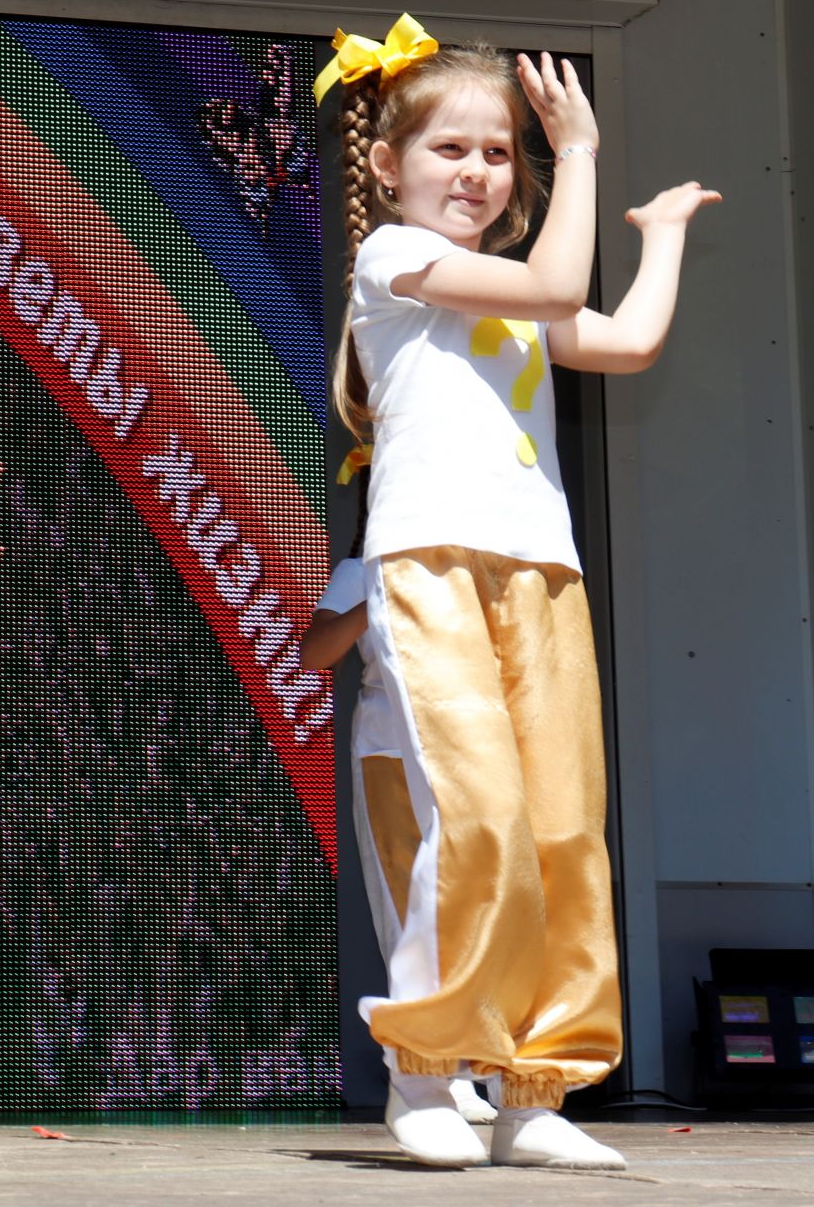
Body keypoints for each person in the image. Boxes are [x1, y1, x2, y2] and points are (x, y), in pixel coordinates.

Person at [322, 15, 718, 1169]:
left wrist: (664, 234)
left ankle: (538, 1088)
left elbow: (631, 340)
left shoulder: (518, 310)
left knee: (559, 829)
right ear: (391, 166)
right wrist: (579, 150)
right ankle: (427, 1070)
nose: (481, 172)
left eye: (502, 154)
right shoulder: (391, 261)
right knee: (479, 813)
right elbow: (555, 278)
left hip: (541, 571)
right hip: (430, 562)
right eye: (454, 149)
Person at [299, 448, 498, 1130]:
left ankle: (467, 1062)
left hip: (463, 753)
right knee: (406, 910)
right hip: (389, 752)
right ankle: (428, 1070)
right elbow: (314, 651)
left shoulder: (464, 571)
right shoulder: (359, 572)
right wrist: (375, 597)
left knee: (470, 907)